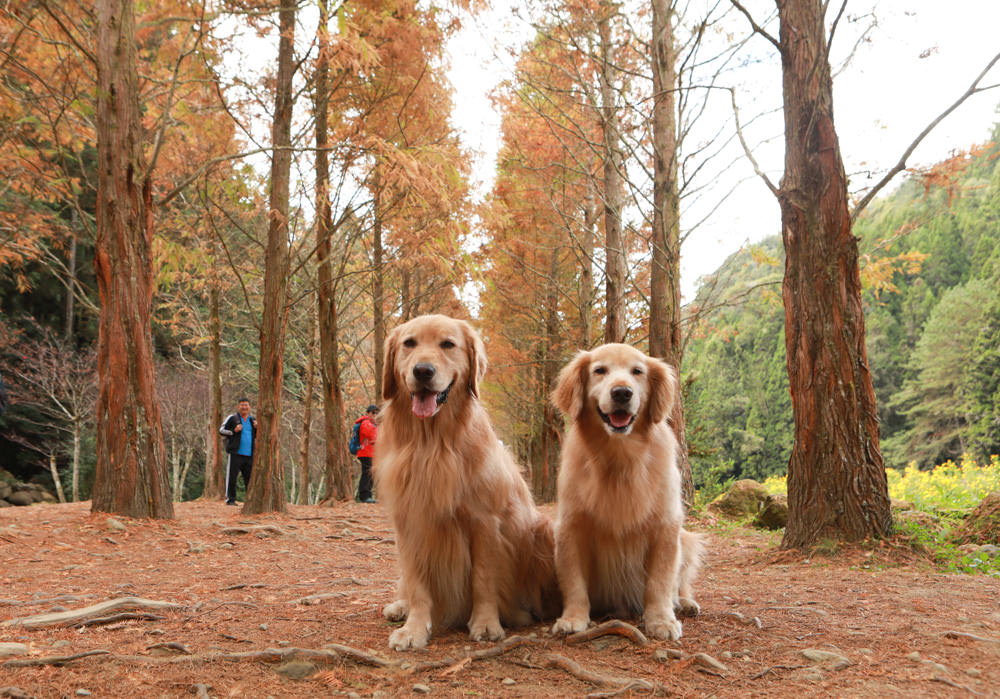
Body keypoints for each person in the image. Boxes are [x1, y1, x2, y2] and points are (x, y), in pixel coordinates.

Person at [219, 397, 257, 505]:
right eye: (242, 405)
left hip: (249, 454)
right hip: (235, 453)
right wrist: (233, 431)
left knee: (249, 479)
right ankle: (230, 499)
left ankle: (250, 501)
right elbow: (221, 430)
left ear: (250, 407)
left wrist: (258, 428)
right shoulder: (232, 418)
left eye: (246, 405)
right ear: (238, 406)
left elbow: (257, 435)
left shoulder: (252, 420)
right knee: (232, 477)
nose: (244, 407)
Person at [355, 403, 378, 503]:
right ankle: (364, 496)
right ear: (368, 413)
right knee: (367, 473)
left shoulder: (372, 423)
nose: (374, 415)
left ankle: (368, 495)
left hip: (370, 453)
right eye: (373, 412)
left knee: (370, 473)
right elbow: (372, 436)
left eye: (376, 413)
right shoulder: (366, 423)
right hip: (365, 452)